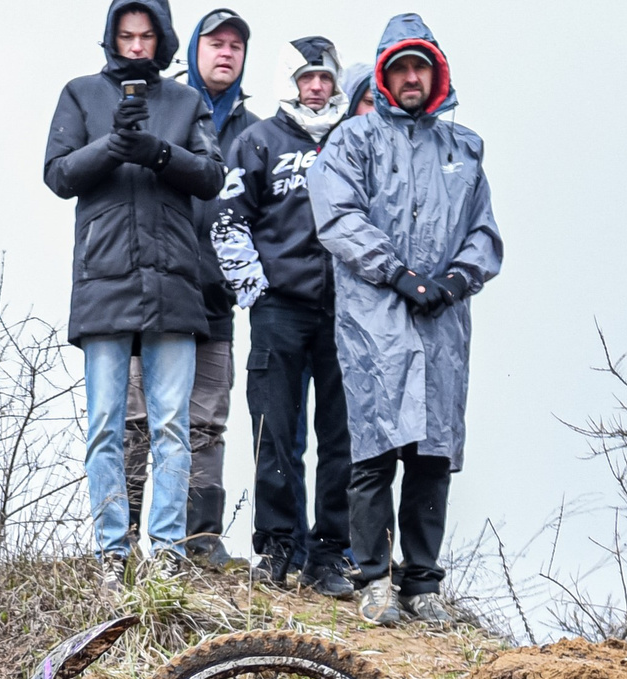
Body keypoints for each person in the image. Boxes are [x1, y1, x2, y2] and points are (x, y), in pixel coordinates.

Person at [309, 14, 501, 627]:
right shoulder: (354, 140)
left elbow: (485, 232)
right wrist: (395, 273)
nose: (411, 77)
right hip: (376, 318)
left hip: (442, 323)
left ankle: (422, 583)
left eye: (421, 66)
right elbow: (336, 216)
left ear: (436, 72)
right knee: (373, 449)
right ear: (385, 75)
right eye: (400, 68)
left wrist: (452, 280)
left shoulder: (464, 147)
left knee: (431, 455)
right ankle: (372, 579)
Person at [45, 0, 228, 575]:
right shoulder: (79, 93)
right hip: (102, 280)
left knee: (171, 423)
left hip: (174, 279)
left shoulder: (185, 101)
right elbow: (57, 174)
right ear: (111, 38)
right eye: (126, 36)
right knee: (104, 425)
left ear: (162, 40)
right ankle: (111, 553)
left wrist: (159, 152)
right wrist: (113, 147)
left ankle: (169, 553)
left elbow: (211, 176)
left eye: (146, 36)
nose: (135, 46)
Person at [213, 35, 355, 595]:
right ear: (289, 83)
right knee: (275, 430)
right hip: (279, 309)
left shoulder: (354, 141)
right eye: (307, 78)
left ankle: (330, 554)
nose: (316, 88)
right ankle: (277, 546)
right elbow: (228, 221)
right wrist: (255, 289)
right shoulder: (258, 141)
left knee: (342, 436)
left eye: (324, 78)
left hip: (347, 313)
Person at [126, 7, 255, 567]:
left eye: (236, 45)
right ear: (193, 49)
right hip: (147, 293)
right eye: (215, 42)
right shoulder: (163, 110)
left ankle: (197, 540)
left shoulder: (258, 132)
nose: (225, 52)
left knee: (205, 420)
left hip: (214, 299)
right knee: (135, 419)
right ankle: (125, 538)